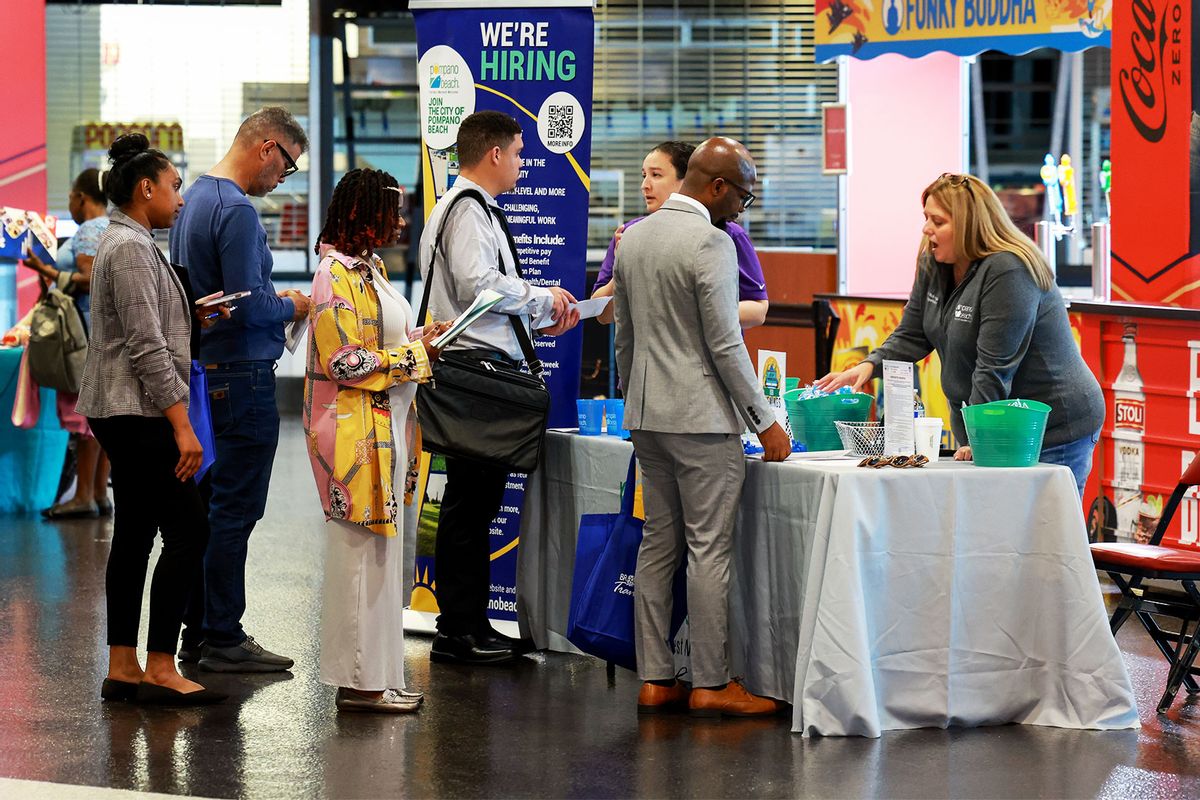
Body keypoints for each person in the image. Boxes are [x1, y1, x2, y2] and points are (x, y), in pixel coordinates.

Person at [613, 136, 790, 717]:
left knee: (658, 543)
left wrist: (631, 403)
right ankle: (713, 685)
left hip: (645, 417)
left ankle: (656, 678)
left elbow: (624, 337)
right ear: (717, 188)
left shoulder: (634, 238)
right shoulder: (712, 243)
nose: (742, 209)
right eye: (742, 196)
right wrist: (764, 419)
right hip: (702, 423)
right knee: (708, 549)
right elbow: (725, 343)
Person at [816, 173, 1105, 496]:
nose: (927, 229)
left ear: (969, 224)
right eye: (926, 218)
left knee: (1038, 536)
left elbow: (995, 366)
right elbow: (912, 332)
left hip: (1052, 426)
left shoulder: (1009, 269)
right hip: (990, 422)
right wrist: (867, 367)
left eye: (937, 221)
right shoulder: (934, 260)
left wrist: (978, 436)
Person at [419, 110, 580, 665]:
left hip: (477, 368)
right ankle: (459, 630)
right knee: (470, 505)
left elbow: (481, 302)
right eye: (516, 152)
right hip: (475, 375)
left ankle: (467, 623)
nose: (521, 162)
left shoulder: (470, 209)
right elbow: (479, 286)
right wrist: (541, 299)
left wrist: (539, 314)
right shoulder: (466, 211)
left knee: (474, 504)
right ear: (493, 155)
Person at [76, 133, 225, 705]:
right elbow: (145, 346)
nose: (180, 199)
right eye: (174, 186)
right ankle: (162, 665)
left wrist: (191, 315)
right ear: (146, 189)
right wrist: (182, 425)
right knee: (189, 531)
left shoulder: (129, 242)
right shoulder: (132, 247)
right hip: (137, 412)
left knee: (136, 531)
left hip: (123, 409)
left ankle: (123, 666)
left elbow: (150, 326)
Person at [304, 168, 452, 713]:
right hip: (354, 437)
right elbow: (344, 360)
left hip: (384, 429)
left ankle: (376, 677)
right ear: (366, 215)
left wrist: (419, 339)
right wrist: (416, 357)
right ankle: (360, 683)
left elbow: (377, 341)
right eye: (394, 209)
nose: (403, 219)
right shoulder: (333, 275)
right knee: (361, 561)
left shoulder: (369, 269)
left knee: (383, 558)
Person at [169, 106, 312, 672]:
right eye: (288, 167)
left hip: (206, 378)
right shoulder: (237, 211)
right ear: (267, 147)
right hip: (242, 378)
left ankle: (198, 633)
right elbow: (250, 306)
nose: (283, 179)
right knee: (236, 511)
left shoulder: (193, 202)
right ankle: (223, 636)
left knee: (210, 510)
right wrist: (294, 305)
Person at [592, 141, 769, 329]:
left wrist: (686, 314)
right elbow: (602, 314)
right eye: (644, 176)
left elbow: (757, 309)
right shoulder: (629, 234)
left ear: (688, 180)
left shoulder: (727, 234)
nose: (645, 185)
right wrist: (622, 264)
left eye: (656, 175)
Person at [21, 168, 111, 518]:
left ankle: (83, 495)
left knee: (84, 415)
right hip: (98, 332)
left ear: (81, 198)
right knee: (100, 416)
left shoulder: (89, 230)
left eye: (72, 197)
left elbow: (90, 280)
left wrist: (47, 272)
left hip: (82, 334)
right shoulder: (112, 228)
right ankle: (100, 492)